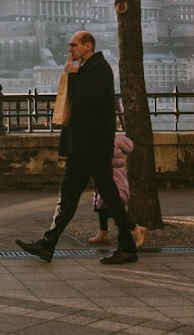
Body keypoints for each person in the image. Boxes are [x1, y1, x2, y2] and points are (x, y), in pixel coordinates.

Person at [16, 31, 142, 265]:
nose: (70, 49)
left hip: (92, 145)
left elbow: (85, 99)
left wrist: (72, 76)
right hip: (81, 145)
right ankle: (47, 244)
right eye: (70, 45)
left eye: (74, 45)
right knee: (68, 197)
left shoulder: (100, 69)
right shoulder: (88, 68)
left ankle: (128, 245)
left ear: (88, 46)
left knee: (109, 195)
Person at [86, 128, 146, 247]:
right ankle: (103, 232)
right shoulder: (113, 141)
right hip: (111, 176)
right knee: (102, 206)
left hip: (113, 178)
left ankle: (136, 228)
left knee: (113, 207)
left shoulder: (105, 143)